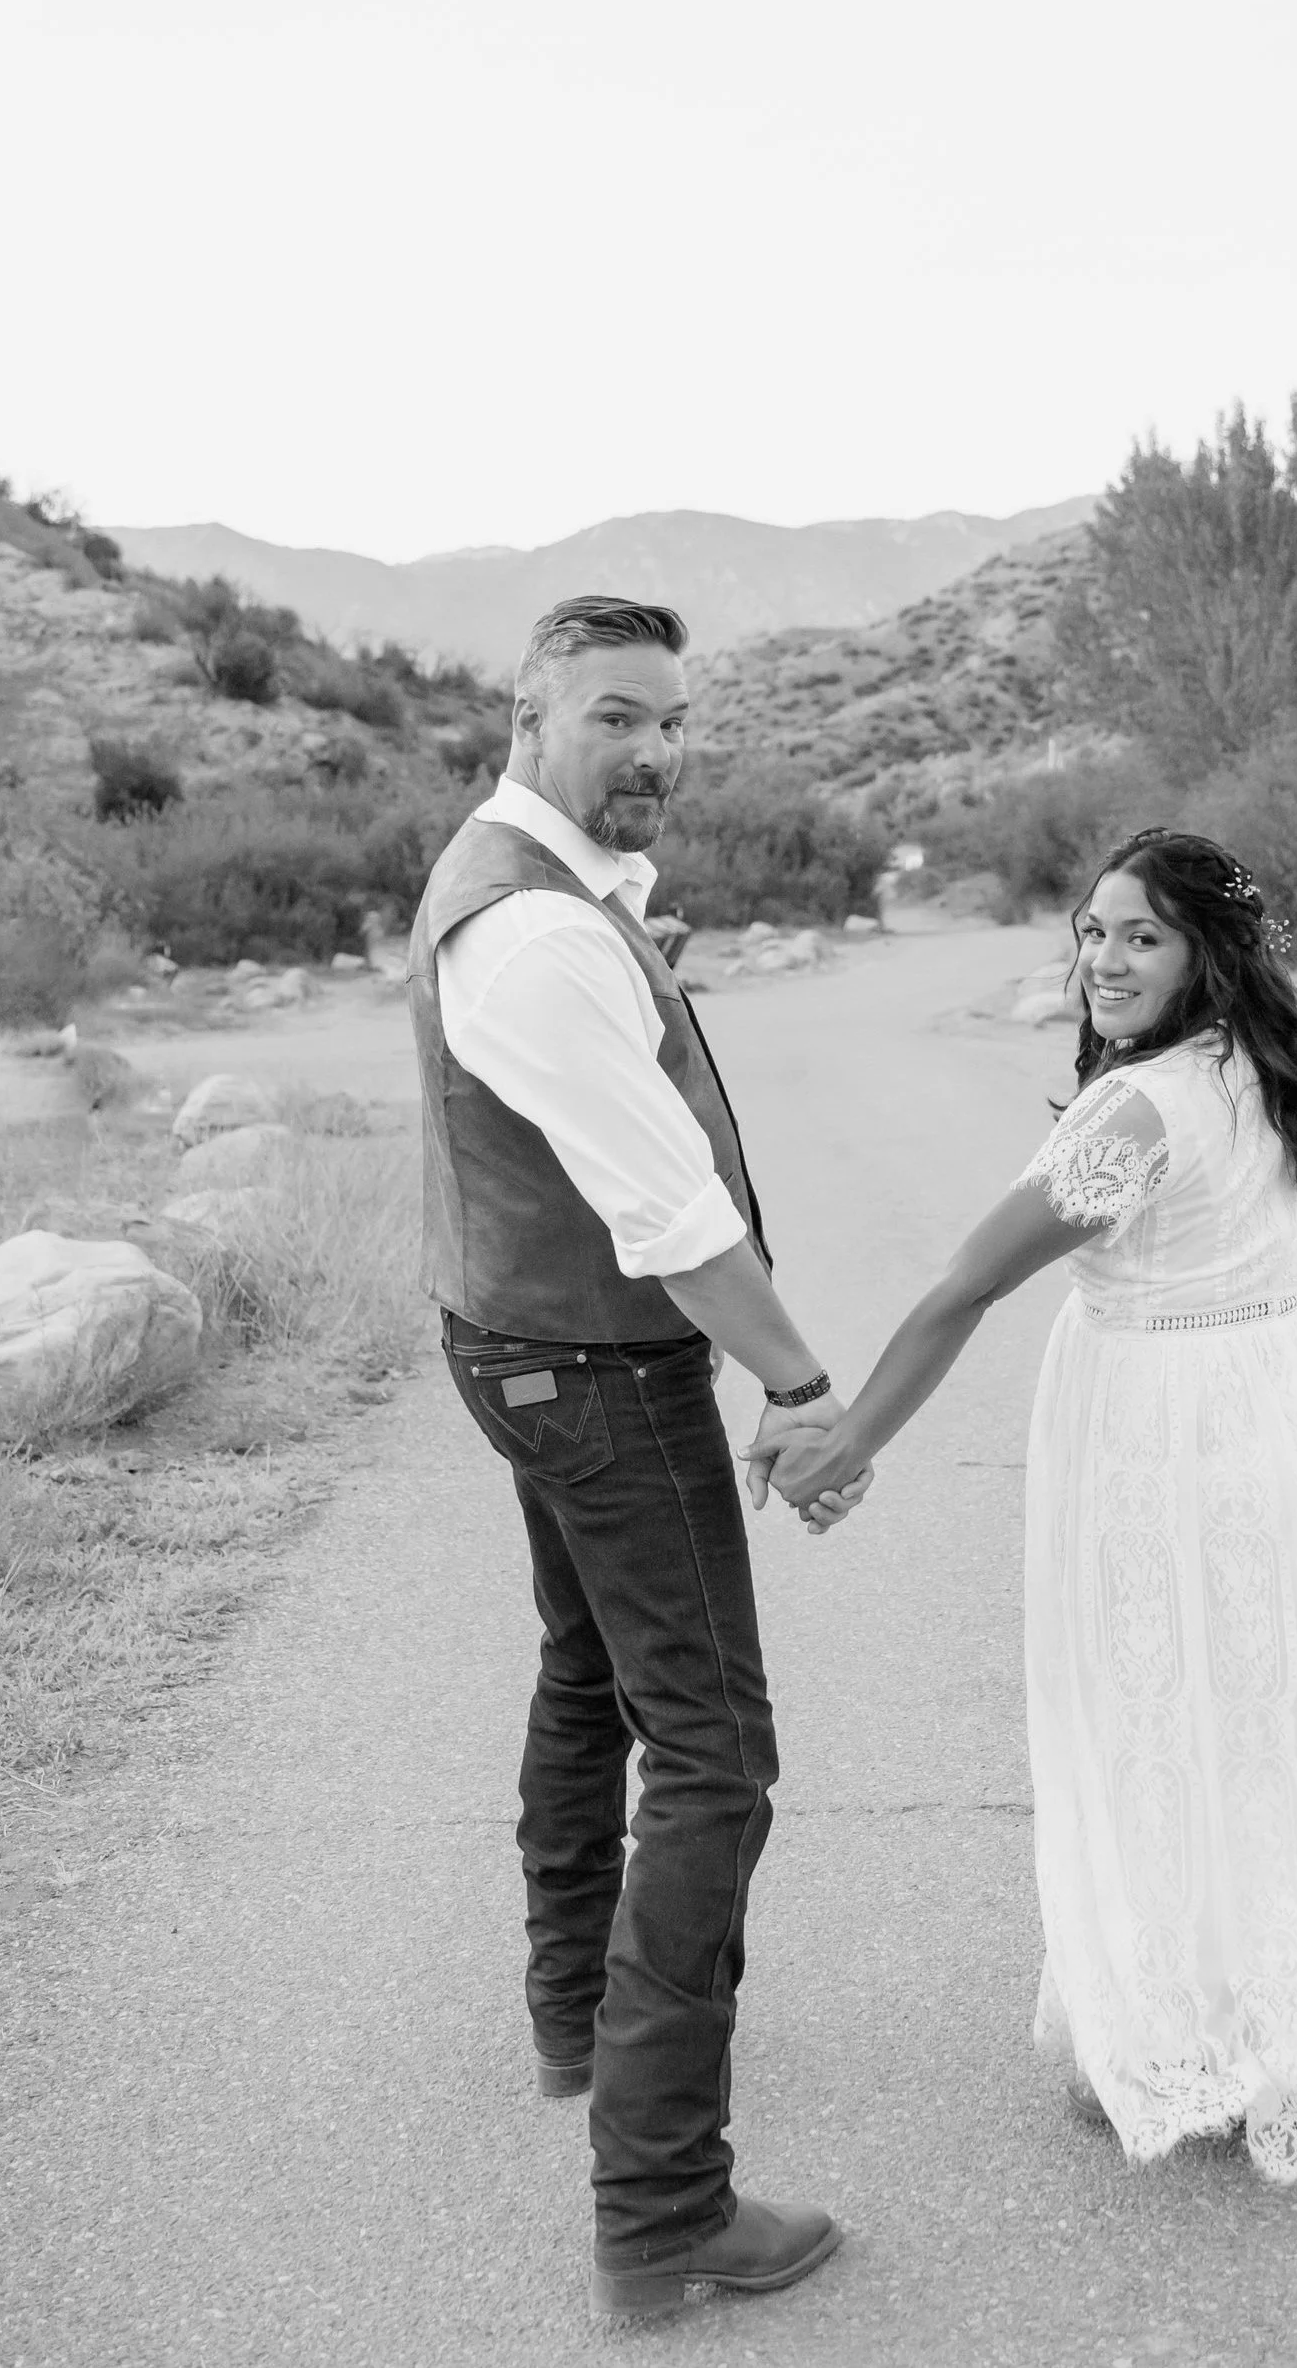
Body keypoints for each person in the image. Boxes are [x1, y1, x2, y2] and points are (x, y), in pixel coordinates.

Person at [751, 828, 1297, 2182]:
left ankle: (1176, 2043)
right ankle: (1270, 2027)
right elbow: (1284, 1265)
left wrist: (845, 1444)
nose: (1105, 959)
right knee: (1261, 1724)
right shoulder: (1262, 1066)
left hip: (1169, 1432)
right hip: (1283, 1404)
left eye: (1142, 936)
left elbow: (965, 1287)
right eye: (1094, 931)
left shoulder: (1138, 1111)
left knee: (1150, 1719)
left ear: (1208, 953)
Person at [406, 594, 865, 2319]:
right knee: (717, 1753)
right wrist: (803, 1388)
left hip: (523, 1349)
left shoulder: (547, 893)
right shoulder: (533, 930)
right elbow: (668, 1219)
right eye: (617, 716)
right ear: (527, 717)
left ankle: (574, 2015)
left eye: (673, 720)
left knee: (591, 1673)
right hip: (598, 1371)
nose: (656, 748)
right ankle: (664, 2206)